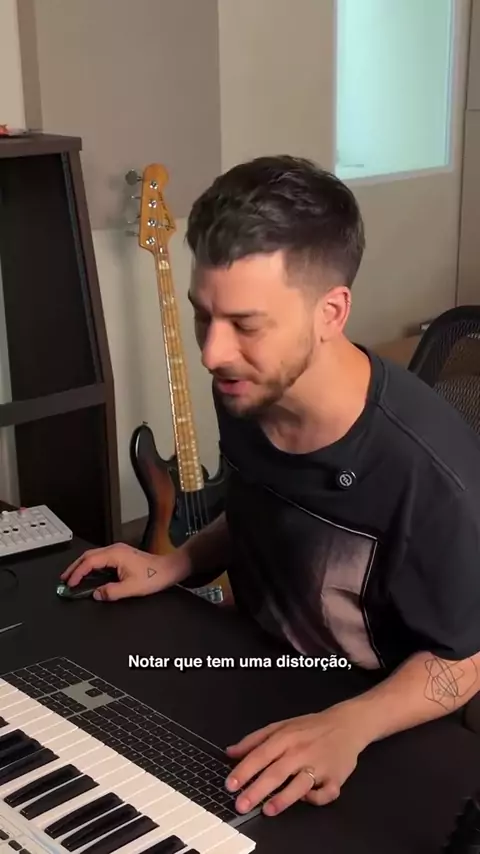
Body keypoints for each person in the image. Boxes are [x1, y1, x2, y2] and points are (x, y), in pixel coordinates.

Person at [61, 154, 480, 818]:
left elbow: (464, 659)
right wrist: (176, 563)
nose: (212, 353)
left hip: (376, 726)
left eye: (246, 325)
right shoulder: (245, 386)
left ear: (330, 312)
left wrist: (351, 725)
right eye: (204, 317)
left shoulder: (430, 474)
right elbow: (263, 507)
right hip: (256, 670)